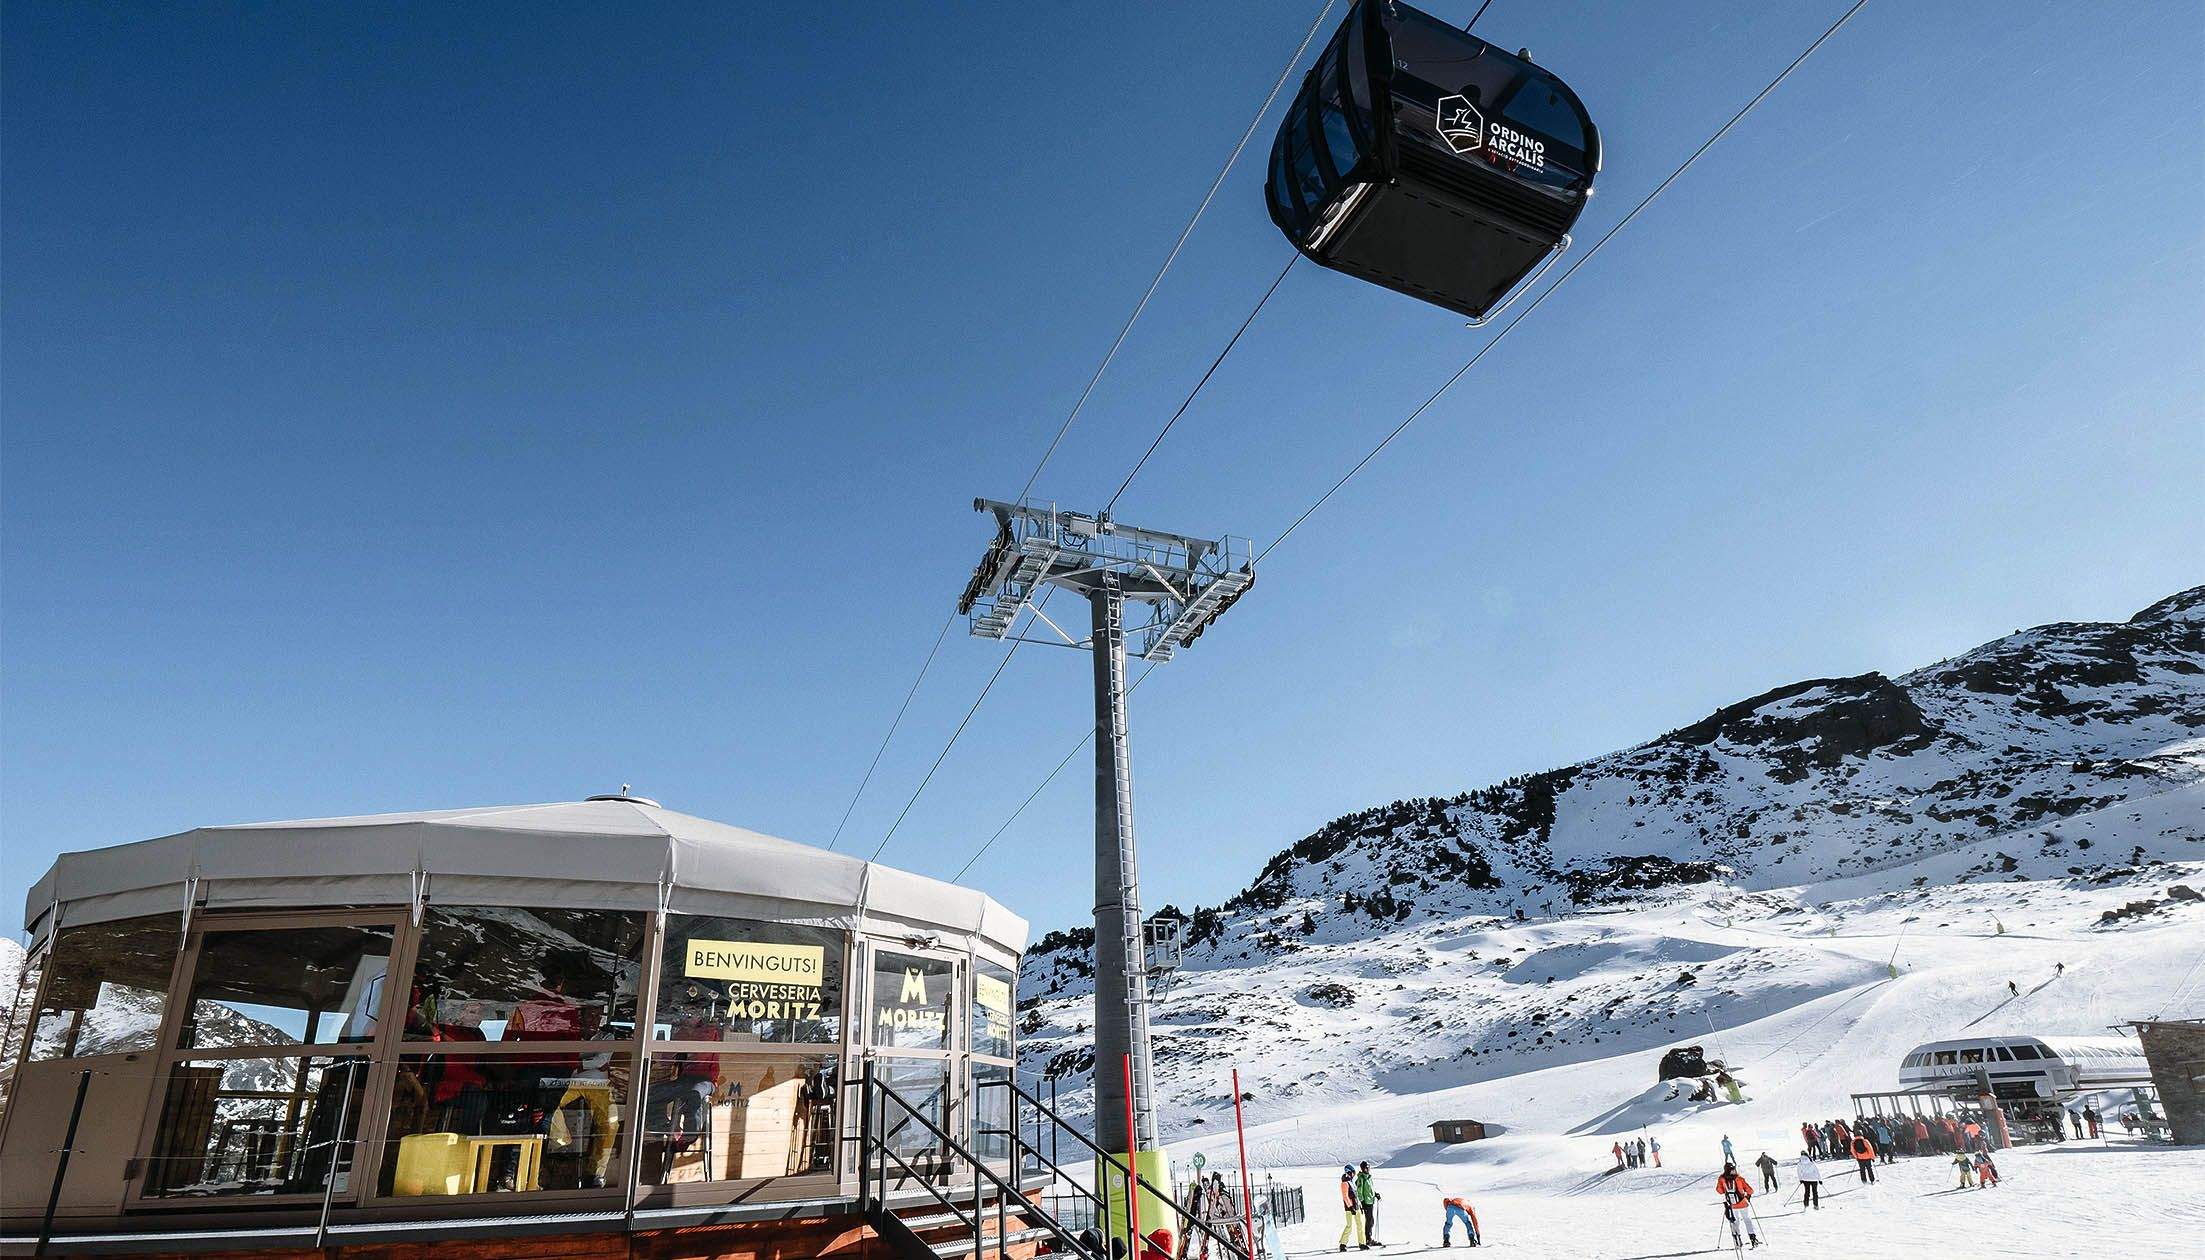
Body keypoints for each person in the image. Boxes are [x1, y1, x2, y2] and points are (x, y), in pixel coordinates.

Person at [1716, 1162, 1761, 1250]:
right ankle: (1753, 1239)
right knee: (1747, 1219)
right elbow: (1750, 1190)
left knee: (1735, 1221)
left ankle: (1737, 1240)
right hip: (1743, 1203)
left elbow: (1719, 1191)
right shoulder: (1739, 1178)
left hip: (1732, 1205)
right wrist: (1747, 1195)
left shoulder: (1722, 1179)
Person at [1337, 1166, 1367, 1252]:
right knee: (1349, 1226)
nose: (1354, 1174)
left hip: (1356, 1207)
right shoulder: (1345, 1183)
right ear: (1349, 1172)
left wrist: (1359, 1206)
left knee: (1360, 1225)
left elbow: (1355, 1196)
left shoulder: (1351, 1182)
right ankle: (1343, 1244)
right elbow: (1345, 1196)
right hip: (1349, 1209)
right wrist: (1350, 1207)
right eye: (1353, 1173)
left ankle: (1362, 1243)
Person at [1356, 1161, 1381, 1246]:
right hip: (1366, 1202)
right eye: (1366, 1167)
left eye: (1369, 1167)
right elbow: (1359, 1192)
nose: (1368, 1169)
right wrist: (1362, 1203)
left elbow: (1370, 1189)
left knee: (1371, 1221)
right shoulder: (1361, 1178)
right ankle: (1368, 1239)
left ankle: (1368, 1238)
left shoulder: (1369, 1177)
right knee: (1369, 1221)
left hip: (1370, 1201)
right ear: (1363, 1168)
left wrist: (1375, 1194)